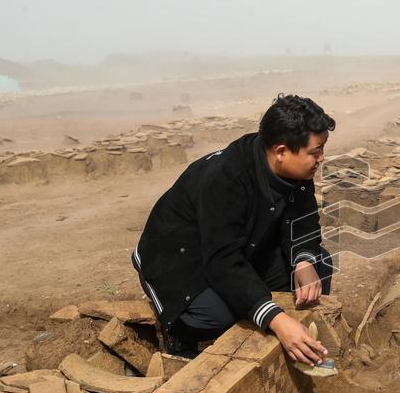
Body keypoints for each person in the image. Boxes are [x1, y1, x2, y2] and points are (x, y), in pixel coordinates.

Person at [133, 94, 335, 365]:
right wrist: (276, 319)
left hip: (242, 247)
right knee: (217, 315)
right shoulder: (225, 179)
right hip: (180, 260)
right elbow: (222, 260)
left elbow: (304, 221)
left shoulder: (297, 171)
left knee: (318, 265)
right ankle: (180, 336)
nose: (321, 158)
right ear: (281, 152)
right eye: (315, 151)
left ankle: (299, 339)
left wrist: (304, 261)